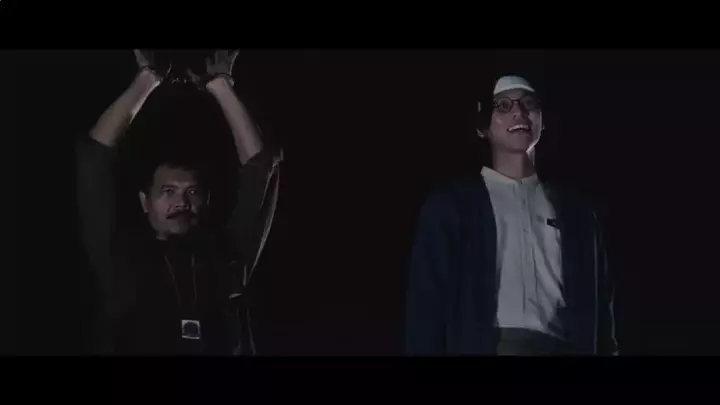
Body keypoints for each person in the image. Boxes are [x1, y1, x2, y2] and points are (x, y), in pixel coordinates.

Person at [76, 49, 281, 355]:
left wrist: (221, 84)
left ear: (206, 201)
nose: (181, 201)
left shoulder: (226, 259)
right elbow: (94, 158)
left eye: (192, 192)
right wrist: (146, 80)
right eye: (168, 191)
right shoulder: (119, 260)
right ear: (145, 202)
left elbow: (261, 166)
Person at [405, 75, 617, 356]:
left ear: (542, 120)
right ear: (483, 126)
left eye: (529, 103)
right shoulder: (452, 207)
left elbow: (603, 316)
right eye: (503, 105)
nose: (519, 112)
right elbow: (426, 305)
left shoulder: (579, 216)